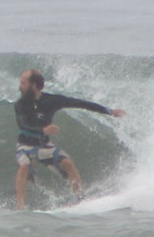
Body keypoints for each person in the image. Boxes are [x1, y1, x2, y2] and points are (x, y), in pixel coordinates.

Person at [13, 68, 125, 208]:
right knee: (23, 167)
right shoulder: (20, 104)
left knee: (67, 163)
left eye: (23, 83)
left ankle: (81, 199)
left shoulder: (51, 101)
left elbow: (80, 103)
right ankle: (20, 207)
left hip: (44, 145)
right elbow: (23, 125)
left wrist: (109, 111)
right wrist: (43, 129)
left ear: (34, 86)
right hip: (25, 146)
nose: (20, 86)